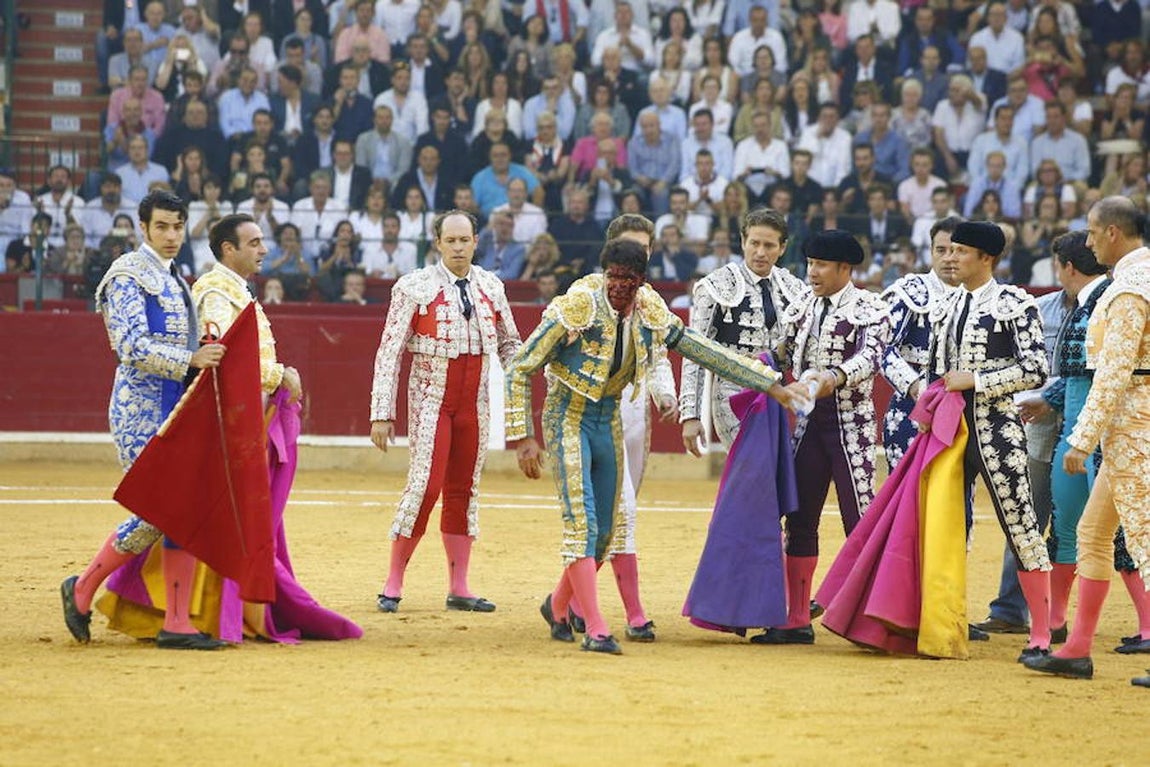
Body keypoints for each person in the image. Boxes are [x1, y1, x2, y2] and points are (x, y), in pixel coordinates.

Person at [506, 238, 803, 654]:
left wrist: (768, 383)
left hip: (605, 417)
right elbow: (520, 366)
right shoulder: (578, 303)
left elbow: (703, 350)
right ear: (603, 273)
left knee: (606, 531)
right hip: (567, 417)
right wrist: (522, 437)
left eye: (630, 280)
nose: (620, 288)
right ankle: (595, 627)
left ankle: (557, 606)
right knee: (582, 522)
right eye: (614, 278)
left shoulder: (649, 309)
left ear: (642, 281)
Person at [60, 190, 229, 651]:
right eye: (162, 227)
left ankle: (175, 622)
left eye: (178, 226)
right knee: (161, 511)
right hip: (139, 410)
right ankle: (82, 588)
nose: (172, 235)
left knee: (178, 512)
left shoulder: (175, 279)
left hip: (174, 409)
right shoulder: (127, 275)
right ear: (143, 228)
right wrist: (191, 357)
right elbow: (130, 346)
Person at [369, 210, 522, 614]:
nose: (457, 247)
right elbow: (390, 352)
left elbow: (510, 346)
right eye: (450, 241)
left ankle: (459, 585)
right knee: (425, 485)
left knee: (463, 490)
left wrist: (537, 362)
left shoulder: (492, 287)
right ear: (437, 243)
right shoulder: (413, 287)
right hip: (431, 400)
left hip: (474, 403)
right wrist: (381, 412)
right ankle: (394, 579)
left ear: (476, 242)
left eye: (464, 240)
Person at [1025, 197, 1150, 681]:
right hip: (1129, 430)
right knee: (1092, 534)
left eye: (1094, 233)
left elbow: (1114, 372)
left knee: (1144, 539)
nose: (1090, 241)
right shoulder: (1132, 282)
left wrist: (1081, 439)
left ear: (1114, 233)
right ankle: (1076, 648)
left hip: (1136, 430)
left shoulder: (1129, 289)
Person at [755, 230, 893, 646]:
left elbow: (872, 357)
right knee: (799, 519)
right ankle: (797, 618)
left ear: (845, 270)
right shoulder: (800, 306)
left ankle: (874, 620)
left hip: (851, 424)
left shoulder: (870, 307)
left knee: (861, 521)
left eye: (821, 265)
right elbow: (778, 354)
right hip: (808, 423)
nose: (812, 272)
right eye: (810, 263)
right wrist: (754, 372)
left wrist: (833, 377)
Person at [930, 220, 1054, 662]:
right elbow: (936, 373)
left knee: (1021, 525)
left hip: (999, 431)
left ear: (986, 258)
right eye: (948, 251)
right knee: (948, 528)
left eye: (961, 251)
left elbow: (1037, 369)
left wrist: (977, 379)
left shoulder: (1014, 303)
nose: (950, 257)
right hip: (949, 431)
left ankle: (1040, 633)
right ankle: (949, 619)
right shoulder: (945, 305)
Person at [1015, 232, 1115, 645]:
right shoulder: (1086, 304)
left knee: (1115, 531)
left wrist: (1078, 430)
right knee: (1069, 528)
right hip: (1075, 428)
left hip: (1100, 430)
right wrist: (1051, 399)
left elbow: (1103, 374)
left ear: (1067, 267)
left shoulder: (1107, 302)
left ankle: (1144, 627)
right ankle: (1057, 622)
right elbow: (1078, 377)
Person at [680, 208, 811, 452]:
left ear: (782, 248)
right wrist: (691, 415)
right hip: (733, 394)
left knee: (774, 474)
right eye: (755, 243)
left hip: (779, 394)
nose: (760, 252)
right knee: (754, 467)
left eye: (769, 245)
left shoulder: (795, 288)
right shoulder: (715, 286)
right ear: (743, 242)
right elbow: (694, 353)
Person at [879, 216, 961, 471]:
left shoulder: (978, 297)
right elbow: (882, 347)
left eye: (956, 250)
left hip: (962, 412)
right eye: (941, 250)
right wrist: (917, 387)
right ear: (931, 252)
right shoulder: (910, 291)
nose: (948, 258)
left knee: (957, 499)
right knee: (908, 499)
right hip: (911, 410)